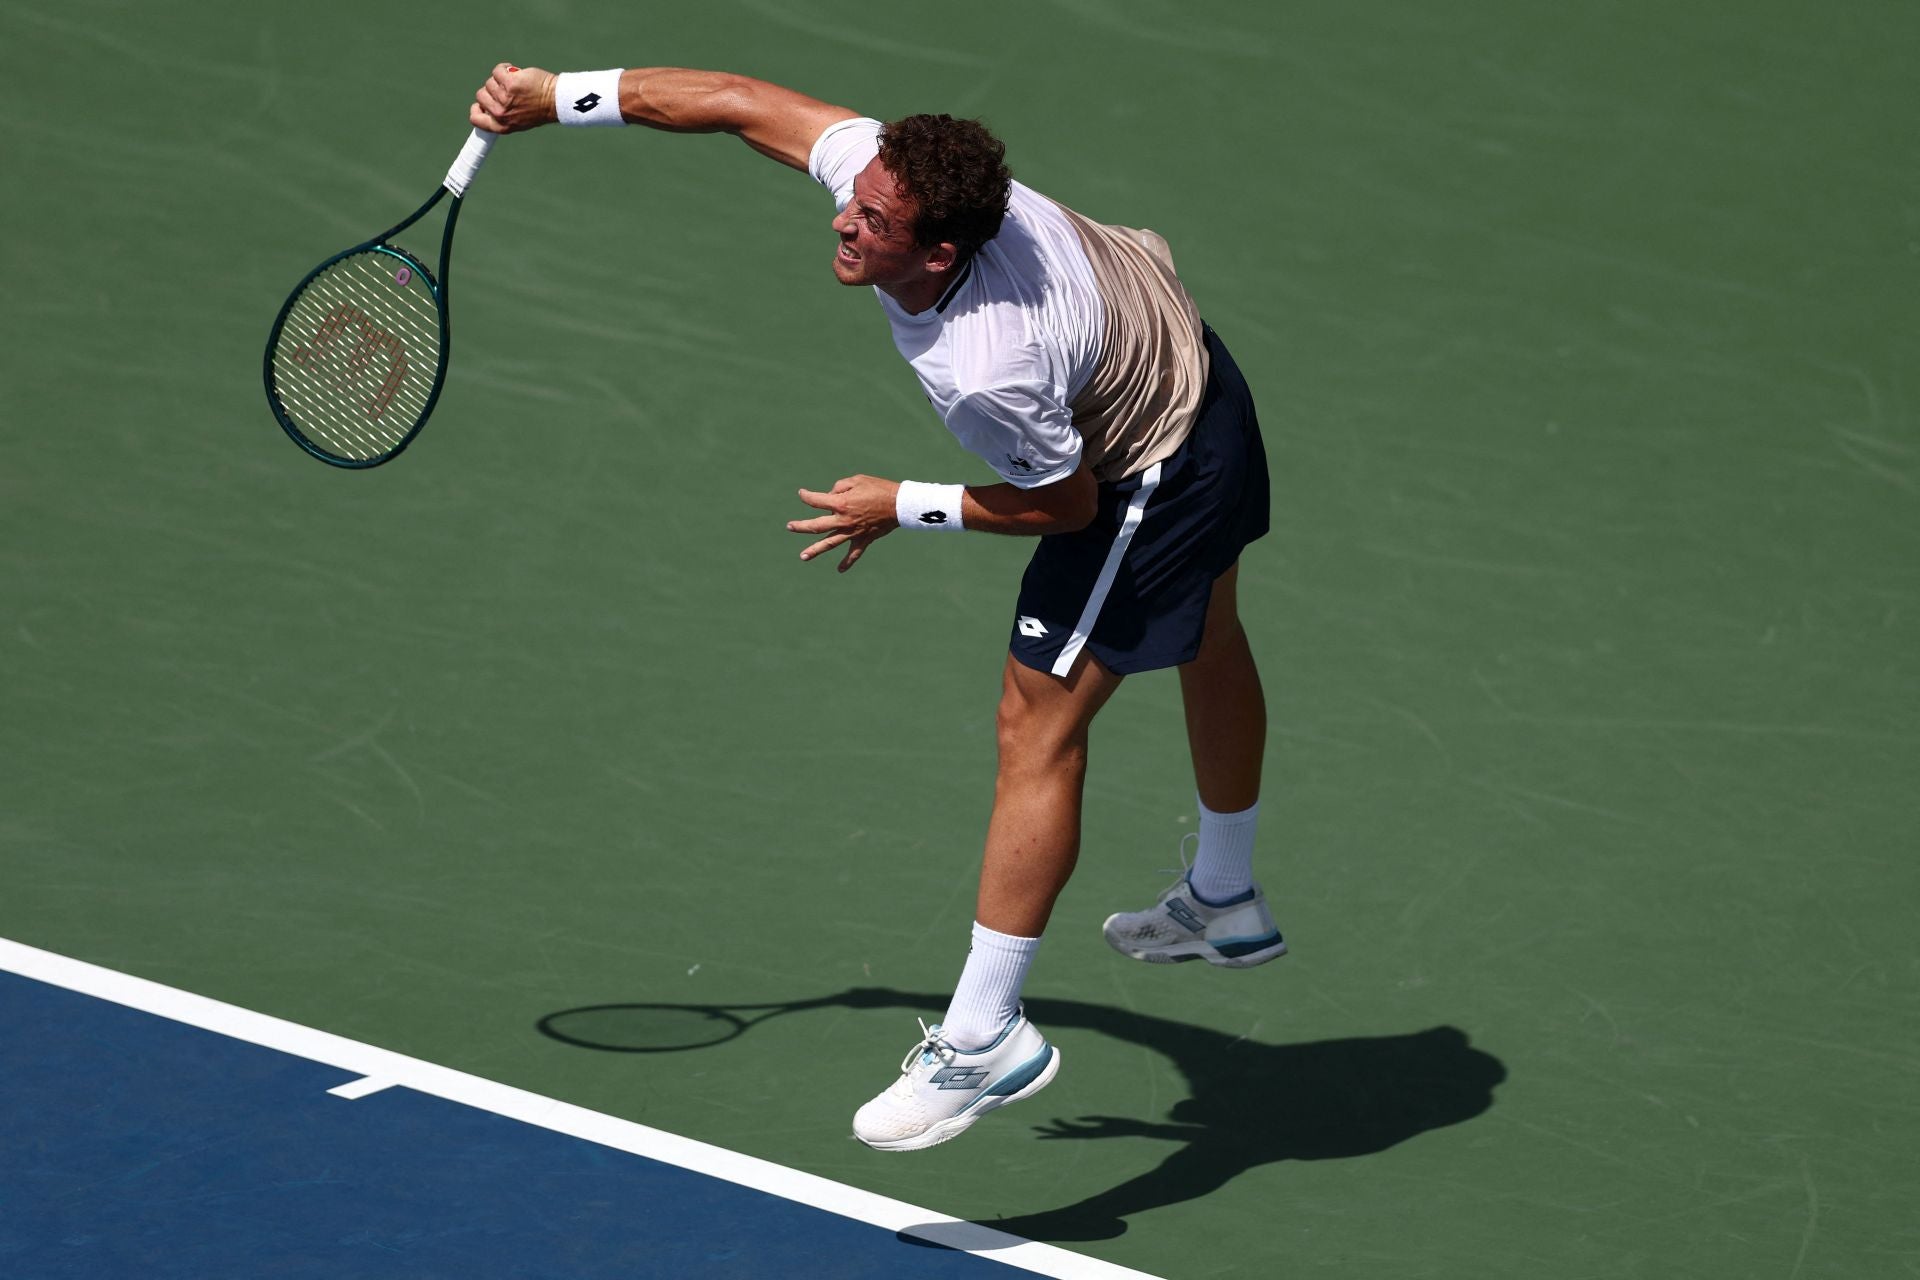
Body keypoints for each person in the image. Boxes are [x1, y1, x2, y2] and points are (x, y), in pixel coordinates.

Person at [471, 63, 1286, 1152]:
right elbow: (730, 100)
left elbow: (1066, 502)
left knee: (1035, 724)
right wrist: (559, 95)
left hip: (1152, 464)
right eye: (857, 197)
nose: (847, 218)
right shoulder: (903, 181)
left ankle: (985, 1032)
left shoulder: (986, 366)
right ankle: (1226, 897)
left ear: (940, 252)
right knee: (1209, 634)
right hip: (1182, 356)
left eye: (876, 219)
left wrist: (906, 503)